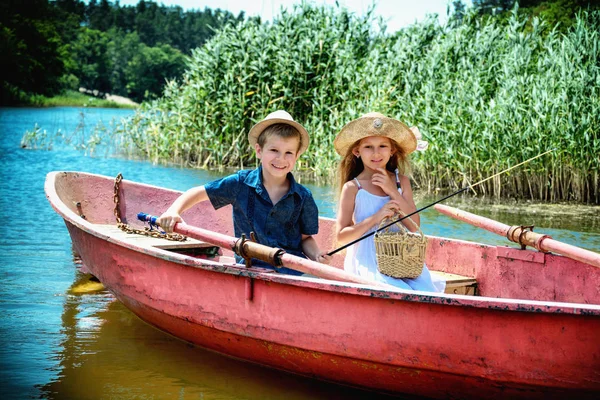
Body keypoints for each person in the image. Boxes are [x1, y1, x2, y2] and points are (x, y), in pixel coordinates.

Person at [158, 110, 331, 274]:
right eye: (274, 150)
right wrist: (173, 211)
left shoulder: (303, 197)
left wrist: (316, 256)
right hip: (249, 267)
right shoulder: (240, 184)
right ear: (259, 151)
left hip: (291, 270)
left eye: (288, 153)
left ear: (297, 156)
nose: (281, 159)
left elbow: (305, 239)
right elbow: (198, 193)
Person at [333, 112, 445, 292]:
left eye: (382, 146)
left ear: (392, 150)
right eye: (368, 147)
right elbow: (341, 236)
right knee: (396, 290)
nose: (376, 153)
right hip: (367, 259)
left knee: (426, 289)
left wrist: (392, 190)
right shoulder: (353, 188)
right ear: (357, 151)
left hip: (400, 258)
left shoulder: (402, 182)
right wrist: (376, 218)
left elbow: (414, 226)